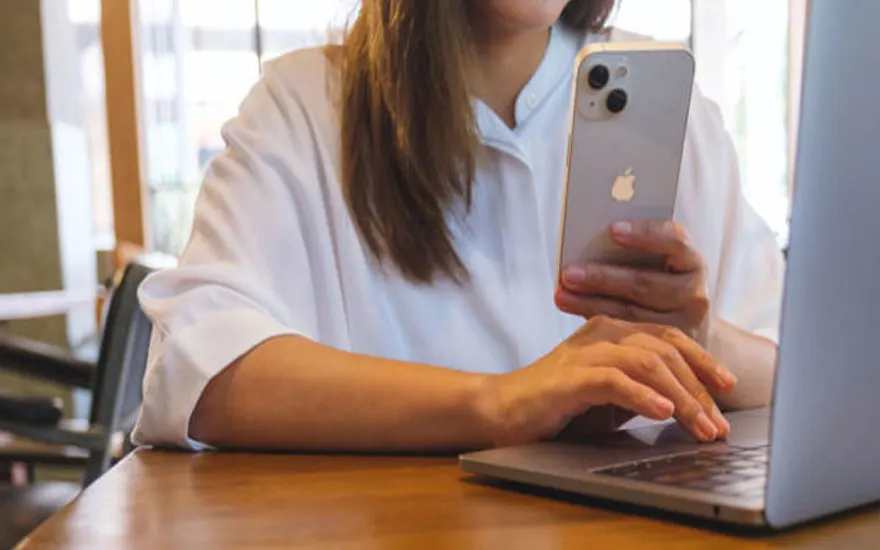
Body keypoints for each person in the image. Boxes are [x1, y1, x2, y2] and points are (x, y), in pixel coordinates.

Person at [132, 0, 784, 452]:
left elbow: (796, 375)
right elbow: (200, 375)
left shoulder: (670, 106)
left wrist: (699, 338)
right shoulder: (305, 105)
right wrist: (501, 404)